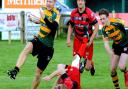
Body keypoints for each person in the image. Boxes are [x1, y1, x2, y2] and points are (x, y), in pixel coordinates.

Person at [7, 0, 60, 89]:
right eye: (47, 1)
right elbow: (41, 20)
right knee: (27, 47)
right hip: (38, 40)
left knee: (37, 74)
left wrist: (44, 18)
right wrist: (35, 20)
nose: (48, 3)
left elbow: (54, 27)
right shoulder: (42, 9)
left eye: (50, 2)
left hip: (48, 48)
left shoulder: (56, 14)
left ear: (55, 2)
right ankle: (16, 70)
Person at [66, 0, 99, 75]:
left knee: (87, 68)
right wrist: (68, 38)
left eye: (81, 1)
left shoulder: (89, 13)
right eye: (78, 0)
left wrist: (90, 40)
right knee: (75, 63)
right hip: (77, 40)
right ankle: (76, 83)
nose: (80, 2)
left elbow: (96, 26)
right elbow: (71, 25)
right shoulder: (74, 12)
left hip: (87, 41)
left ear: (85, 2)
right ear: (77, 2)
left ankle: (90, 64)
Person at [99, 8, 128, 89]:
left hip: (126, 45)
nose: (102, 21)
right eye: (101, 19)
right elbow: (106, 44)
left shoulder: (116, 22)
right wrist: (111, 53)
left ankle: (126, 72)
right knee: (112, 70)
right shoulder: (104, 30)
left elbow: (125, 25)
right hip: (116, 47)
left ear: (108, 17)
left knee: (121, 67)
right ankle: (117, 88)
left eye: (104, 18)